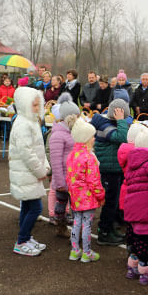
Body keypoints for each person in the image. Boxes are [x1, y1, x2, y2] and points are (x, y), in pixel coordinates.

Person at [8, 86, 50, 256]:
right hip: (27, 173)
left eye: (38, 105)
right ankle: (21, 240)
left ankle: (25, 237)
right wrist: (41, 171)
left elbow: (38, 148)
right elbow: (27, 153)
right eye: (33, 105)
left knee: (27, 205)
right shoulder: (23, 124)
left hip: (30, 173)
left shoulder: (30, 121)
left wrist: (44, 165)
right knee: (35, 208)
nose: (37, 108)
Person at [123, 130, 148, 284]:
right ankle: (146, 273)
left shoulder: (132, 164)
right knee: (143, 244)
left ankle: (132, 268)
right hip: (146, 211)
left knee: (135, 241)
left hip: (132, 209)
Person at [65, 118, 105, 263]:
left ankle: (75, 251)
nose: (94, 139)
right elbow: (94, 181)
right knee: (87, 223)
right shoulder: (89, 157)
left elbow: (68, 177)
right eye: (92, 136)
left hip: (75, 196)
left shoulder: (71, 156)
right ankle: (87, 252)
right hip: (87, 197)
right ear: (87, 139)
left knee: (76, 222)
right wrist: (101, 196)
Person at [91, 98, 130, 245]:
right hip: (109, 169)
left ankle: (111, 228)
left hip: (114, 167)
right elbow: (123, 137)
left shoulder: (108, 123)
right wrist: (121, 121)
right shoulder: (105, 126)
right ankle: (104, 233)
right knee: (109, 202)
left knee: (113, 202)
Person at [48, 101, 80, 237]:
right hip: (63, 179)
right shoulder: (57, 135)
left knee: (75, 205)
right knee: (61, 204)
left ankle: (75, 228)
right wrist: (60, 183)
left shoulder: (71, 131)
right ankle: (60, 227)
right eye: (77, 116)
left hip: (74, 178)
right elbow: (55, 161)